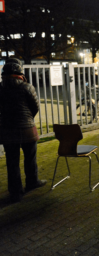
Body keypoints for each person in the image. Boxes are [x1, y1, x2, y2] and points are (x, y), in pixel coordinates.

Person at [0, 58, 47, 203]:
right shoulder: (27, 87)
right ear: (20, 73)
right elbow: (35, 107)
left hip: (8, 130)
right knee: (30, 157)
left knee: (12, 162)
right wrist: (28, 120)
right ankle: (32, 182)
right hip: (27, 129)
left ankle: (15, 192)